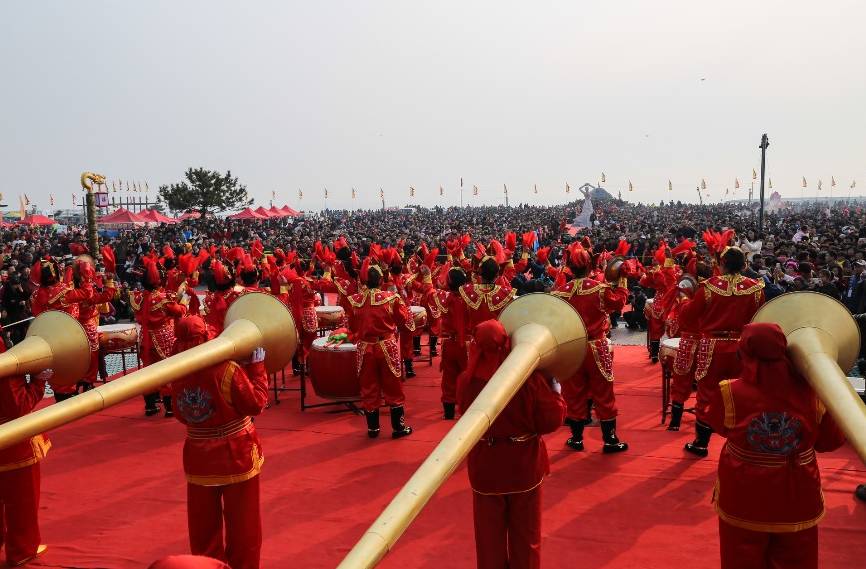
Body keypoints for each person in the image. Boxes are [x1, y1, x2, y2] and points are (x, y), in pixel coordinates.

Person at [705, 322, 846, 569]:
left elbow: (717, 425)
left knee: (740, 557)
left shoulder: (729, 392)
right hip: (798, 492)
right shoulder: (815, 392)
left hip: (743, 493)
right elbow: (830, 441)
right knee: (796, 557)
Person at [458, 319, 565, 569]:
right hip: (523, 464)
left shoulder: (467, 381)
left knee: (488, 540)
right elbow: (550, 420)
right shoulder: (528, 379)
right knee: (526, 538)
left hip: (486, 465)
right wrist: (557, 392)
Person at [170, 316, 268, 569]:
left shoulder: (175, 371)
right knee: (244, 526)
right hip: (236, 453)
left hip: (198, 457)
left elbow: (181, 414)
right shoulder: (227, 370)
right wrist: (256, 369)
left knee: (203, 529)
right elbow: (255, 403)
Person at [679, 245, 765, 457]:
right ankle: (741, 444)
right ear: (744, 264)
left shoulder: (708, 287)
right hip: (743, 349)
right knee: (743, 394)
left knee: (707, 394)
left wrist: (683, 300)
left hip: (712, 348)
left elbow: (688, 316)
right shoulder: (755, 288)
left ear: (723, 263)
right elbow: (760, 320)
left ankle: (701, 443)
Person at [552, 242, 629, 453]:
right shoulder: (600, 289)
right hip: (597, 346)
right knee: (603, 393)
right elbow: (620, 302)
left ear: (569, 267)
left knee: (574, 393)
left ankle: (577, 439)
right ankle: (610, 439)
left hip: (572, 348)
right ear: (589, 266)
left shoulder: (560, 293)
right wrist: (622, 278)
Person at [347, 258, 414, 438]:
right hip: (387, 345)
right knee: (393, 387)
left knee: (369, 387)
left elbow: (351, 327)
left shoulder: (355, 301)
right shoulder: (391, 298)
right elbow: (404, 320)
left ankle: (373, 428)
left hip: (365, 347)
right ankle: (398, 428)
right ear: (381, 280)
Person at [0, 330, 50, 567]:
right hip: (13, 445)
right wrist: (39, 380)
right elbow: (18, 405)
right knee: (22, 502)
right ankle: (22, 550)